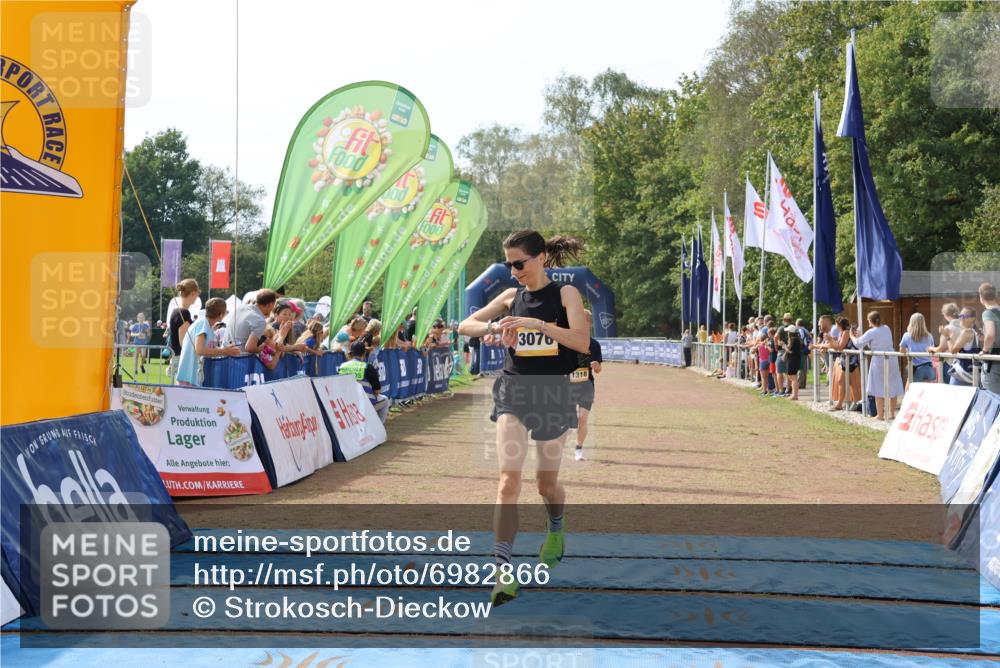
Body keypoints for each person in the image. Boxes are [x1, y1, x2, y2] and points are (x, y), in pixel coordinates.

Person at [457, 229, 590, 606]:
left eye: (519, 263)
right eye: (508, 264)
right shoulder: (510, 296)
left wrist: (537, 325)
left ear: (540, 258)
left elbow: (581, 342)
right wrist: (495, 327)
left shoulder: (565, 294)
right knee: (507, 480)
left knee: (545, 485)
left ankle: (556, 527)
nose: (514, 271)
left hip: (552, 393)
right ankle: (502, 573)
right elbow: (464, 326)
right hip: (514, 391)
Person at [175, 298, 239, 386]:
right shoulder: (203, 324)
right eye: (225, 313)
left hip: (193, 378)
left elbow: (207, 349)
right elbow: (200, 350)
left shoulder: (206, 326)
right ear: (221, 315)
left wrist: (224, 350)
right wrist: (224, 351)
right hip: (188, 379)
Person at [852, 311, 904, 419]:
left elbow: (858, 343)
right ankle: (892, 414)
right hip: (892, 358)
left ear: (870, 321)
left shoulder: (871, 332)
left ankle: (880, 415)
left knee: (877, 386)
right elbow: (875, 340)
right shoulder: (886, 328)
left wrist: (851, 335)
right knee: (892, 385)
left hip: (879, 360)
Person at [569, 310, 603, 461]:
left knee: (583, 419)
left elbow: (599, 369)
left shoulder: (594, 345)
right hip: (567, 385)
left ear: (589, 324)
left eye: (584, 321)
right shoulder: (567, 341)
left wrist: (597, 366)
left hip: (586, 385)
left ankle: (578, 449)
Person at [339, 339, 389, 423]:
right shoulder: (368, 367)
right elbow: (377, 391)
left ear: (351, 353)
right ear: (364, 353)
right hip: (365, 404)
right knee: (385, 400)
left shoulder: (342, 366)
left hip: (347, 403)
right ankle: (379, 427)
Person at [931, 307, 981, 386]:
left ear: (972, 319)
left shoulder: (966, 332)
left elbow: (953, 350)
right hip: (972, 374)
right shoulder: (975, 332)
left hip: (962, 375)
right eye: (960, 316)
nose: (961, 319)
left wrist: (947, 336)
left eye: (965, 316)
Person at [167, 279, 200, 378]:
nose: (198, 296)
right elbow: (184, 342)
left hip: (178, 358)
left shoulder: (176, 312)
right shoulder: (184, 313)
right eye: (198, 293)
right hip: (181, 359)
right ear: (193, 293)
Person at [229, 288, 278, 353]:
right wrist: (263, 347)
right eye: (273, 305)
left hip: (225, 356)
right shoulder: (260, 320)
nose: (272, 309)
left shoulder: (240, 308)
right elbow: (250, 348)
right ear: (269, 305)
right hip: (240, 359)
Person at [899, 313, 936, 384]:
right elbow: (932, 351)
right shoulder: (929, 336)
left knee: (911, 390)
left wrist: (909, 350)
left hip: (916, 368)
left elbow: (901, 351)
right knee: (928, 392)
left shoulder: (907, 335)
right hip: (929, 368)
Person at [980, 283, 1000, 394]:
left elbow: (991, 335)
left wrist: (984, 350)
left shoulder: (988, 313)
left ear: (981, 298)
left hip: (994, 362)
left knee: (993, 400)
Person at [783, 325, 802, 401]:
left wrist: (784, 346)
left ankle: (795, 395)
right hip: (793, 360)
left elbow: (790, 351)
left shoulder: (794, 340)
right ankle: (794, 394)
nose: (787, 333)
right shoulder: (795, 339)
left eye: (788, 331)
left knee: (793, 378)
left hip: (793, 360)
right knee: (792, 377)